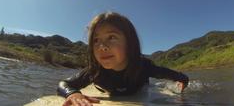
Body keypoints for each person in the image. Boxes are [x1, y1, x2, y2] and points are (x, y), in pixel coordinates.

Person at [57, 12, 189, 106]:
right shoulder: (94, 71)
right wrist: (72, 94)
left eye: (112, 37)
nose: (102, 47)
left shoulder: (144, 67)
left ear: (130, 43)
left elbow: (181, 77)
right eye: (96, 40)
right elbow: (64, 84)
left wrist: (181, 85)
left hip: (140, 87)